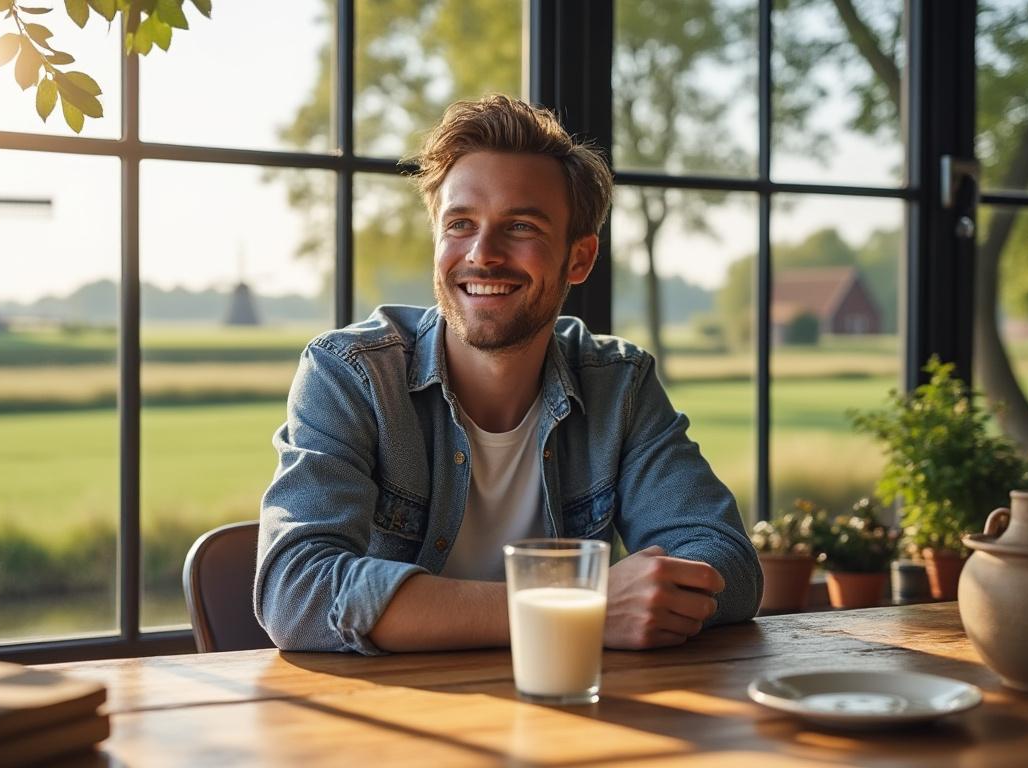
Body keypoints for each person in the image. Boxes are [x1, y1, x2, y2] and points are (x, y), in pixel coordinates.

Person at [255, 94, 761, 654]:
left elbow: (726, 563)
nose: (483, 254)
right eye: (461, 224)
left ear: (580, 259)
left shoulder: (619, 384)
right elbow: (296, 589)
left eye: (520, 226)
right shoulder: (352, 375)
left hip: (573, 713)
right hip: (392, 721)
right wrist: (579, 607)